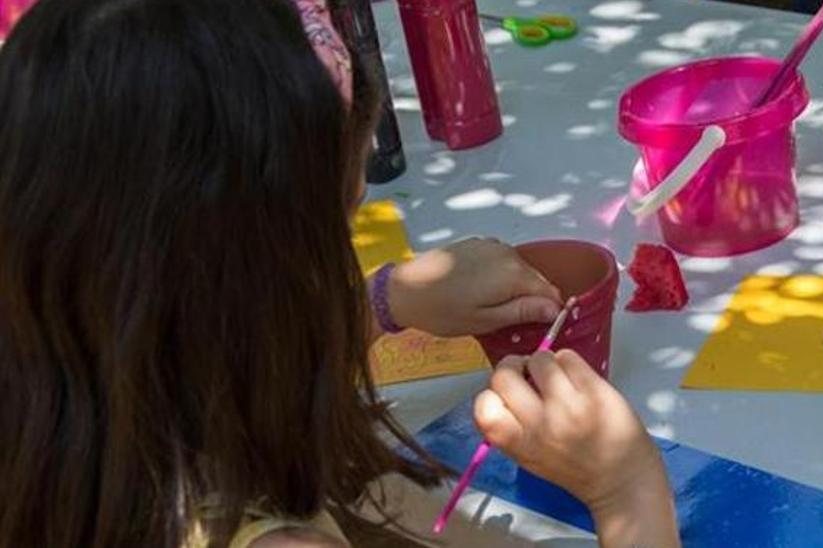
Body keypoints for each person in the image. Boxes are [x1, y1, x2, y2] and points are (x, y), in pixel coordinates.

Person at [0, 0, 679, 547]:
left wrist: (386, 299)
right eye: (340, 228)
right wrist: (629, 494)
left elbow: (214, 350)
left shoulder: (63, 403)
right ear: (250, 271)